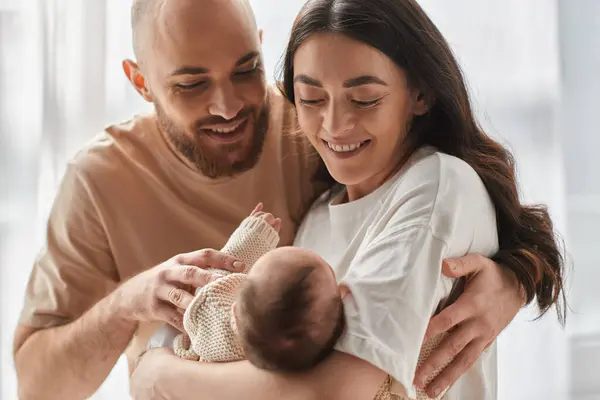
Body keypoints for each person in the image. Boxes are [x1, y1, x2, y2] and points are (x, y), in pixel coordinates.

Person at [11, 0, 562, 399]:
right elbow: (37, 387)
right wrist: (130, 302)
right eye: (191, 85)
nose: (229, 106)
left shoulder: (314, 133)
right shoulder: (102, 179)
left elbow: (451, 191)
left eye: (246, 70)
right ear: (141, 82)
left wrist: (517, 273)